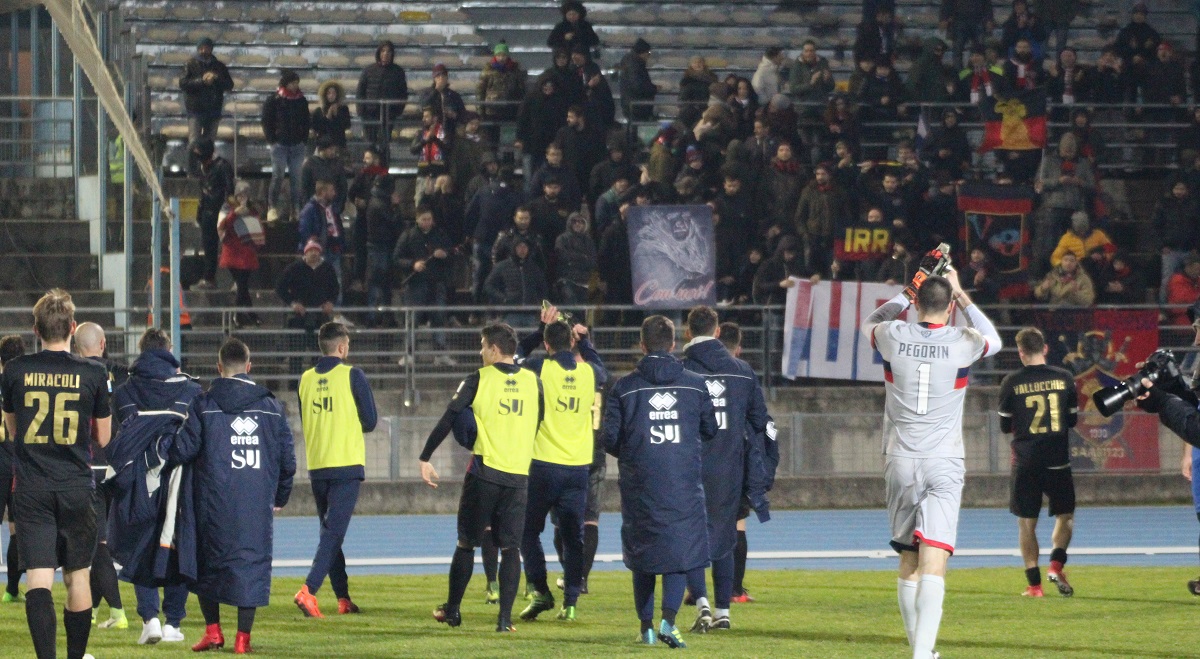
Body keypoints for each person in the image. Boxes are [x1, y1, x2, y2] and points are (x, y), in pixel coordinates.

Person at [860, 272, 1001, 659]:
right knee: (934, 557)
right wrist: (963, 294)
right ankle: (923, 654)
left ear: (917, 303)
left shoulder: (893, 334)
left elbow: (869, 322)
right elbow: (994, 338)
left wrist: (906, 292)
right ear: (950, 305)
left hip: (901, 458)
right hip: (943, 459)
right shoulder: (962, 340)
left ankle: (921, 651)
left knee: (909, 559)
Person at [1, 289, 113, 659]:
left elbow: (13, 430)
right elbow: (103, 437)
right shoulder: (93, 371)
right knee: (77, 575)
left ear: (36, 329)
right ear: (73, 327)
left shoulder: (15, 370)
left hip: (32, 486)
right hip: (76, 486)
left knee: (39, 576)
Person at [602, 315, 719, 647]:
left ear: (642, 345)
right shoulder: (695, 384)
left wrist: (636, 453)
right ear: (673, 344)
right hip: (683, 483)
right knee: (679, 555)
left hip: (639, 484)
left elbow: (609, 438)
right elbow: (710, 429)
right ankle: (669, 622)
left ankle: (647, 629)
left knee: (643, 556)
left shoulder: (624, 388)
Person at [419, 323, 544, 632]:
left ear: (494, 349)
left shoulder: (479, 378)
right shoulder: (534, 381)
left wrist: (425, 456)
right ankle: (504, 620)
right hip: (518, 476)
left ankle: (453, 610)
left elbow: (450, 417)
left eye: (482, 345)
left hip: (485, 473)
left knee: (466, 544)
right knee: (510, 549)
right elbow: (538, 419)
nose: (480, 352)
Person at [177, 339, 296, 654]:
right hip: (255, 501)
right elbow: (287, 460)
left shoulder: (203, 404)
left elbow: (184, 450)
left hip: (211, 501)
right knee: (251, 564)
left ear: (219, 367)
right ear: (249, 366)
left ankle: (213, 632)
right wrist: (280, 497)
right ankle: (243, 639)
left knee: (208, 564)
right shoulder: (271, 406)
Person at [680, 307, 771, 632]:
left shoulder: (681, 370)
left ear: (688, 332)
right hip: (729, 469)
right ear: (717, 332)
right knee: (725, 538)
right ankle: (722, 612)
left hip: (689, 468)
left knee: (689, 537)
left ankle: (701, 605)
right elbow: (761, 422)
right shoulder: (742, 371)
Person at [112, 328, 201, 646]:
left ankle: (149, 620)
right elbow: (195, 439)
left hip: (140, 478)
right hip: (181, 476)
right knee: (178, 546)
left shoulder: (124, 392)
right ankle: (173, 623)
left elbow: (124, 436)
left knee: (142, 543)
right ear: (169, 349)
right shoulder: (192, 390)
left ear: (141, 350)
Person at [514, 312, 605, 623]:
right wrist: (586, 341)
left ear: (547, 345)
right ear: (571, 342)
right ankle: (571, 603)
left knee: (528, 531)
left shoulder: (540, 369)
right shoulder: (588, 372)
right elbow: (601, 369)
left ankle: (540, 590)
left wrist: (539, 328)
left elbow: (514, 356)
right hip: (578, 468)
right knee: (573, 537)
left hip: (543, 465)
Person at [293, 323, 376, 619]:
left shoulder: (305, 379)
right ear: (342, 347)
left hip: (318, 465)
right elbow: (370, 421)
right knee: (333, 533)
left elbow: (306, 417)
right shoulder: (353, 375)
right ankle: (308, 590)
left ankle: (343, 597)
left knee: (331, 533)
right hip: (345, 463)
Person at [998, 327, 1079, 598]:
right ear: (1045, 348)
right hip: (1057, 459)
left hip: (1026, 461)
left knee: (1026, 524)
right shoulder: (1065, 377)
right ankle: (1056, 564)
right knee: (1065, 516)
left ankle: (1034, 586)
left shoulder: (1011, 382)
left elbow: (1005, 425)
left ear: (1020, 352)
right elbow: (1072, 419)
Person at [71, 323, 128, 631]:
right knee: (100, 541)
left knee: (97, 544)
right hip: (118, 467)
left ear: (75, 347)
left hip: (89, 465)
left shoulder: (74, 374)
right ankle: (93, 609)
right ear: (103, 344)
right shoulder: (122, 375)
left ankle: (118, 612)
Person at [394, 206, 455, 364]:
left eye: (429, 219)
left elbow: (452, 254)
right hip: (415, 285)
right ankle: (409, 353)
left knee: (438, 318)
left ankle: (440, 353)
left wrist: (445, 255)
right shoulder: (408, 235)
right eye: (424, 219)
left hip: (437, 283)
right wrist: (412, 264)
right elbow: (397, 258)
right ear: (417, 219)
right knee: (412, 320)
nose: (427, 222)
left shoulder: (440, 235)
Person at [276, 241, 340, 385]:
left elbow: (335, 288)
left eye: (316, 250)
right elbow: (280, 287)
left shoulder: (327, 269)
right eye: (311, 250)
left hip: (320, 318)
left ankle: (318, 386)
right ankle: (294, 386)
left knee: (320, 354)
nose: (314, 253)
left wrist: (330, 302)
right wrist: (293, 303)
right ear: (305, 253)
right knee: (296, 354)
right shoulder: (294, 268)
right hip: (298, 318)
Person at [262, 70, 310, 223]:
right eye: (292, 83)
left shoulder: (301, 100)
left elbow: (306, 121)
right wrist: (272, 140)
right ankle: (272, 207)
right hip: (280, 145)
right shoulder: (273, 100)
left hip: (297, 145)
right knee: (278, 175)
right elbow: (266, 121)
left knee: (296, 179)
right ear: (285, 84)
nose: (295, 86)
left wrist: (303, 139)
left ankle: (295, 208)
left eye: (297, 83)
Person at [179, 36, 233, 171]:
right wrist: (201, 81)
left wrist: (216, 79)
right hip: (195, 109)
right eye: (201, 48)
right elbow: (183, 83)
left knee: (209, 143)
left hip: (213, 109)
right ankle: (192, 170)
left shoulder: (219, 66)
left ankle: (207, 169)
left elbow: (229, 85)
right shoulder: (190, 64)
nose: (204, 50)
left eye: (207, 48)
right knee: (194, 141)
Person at [218, 180, 264, 328]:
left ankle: (245, 315)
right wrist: (234, 214)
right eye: (240, 195)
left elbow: (257, 228)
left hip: (247, 253)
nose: (242, 198)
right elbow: (222, 227)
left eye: (245, 195)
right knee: (242, 285)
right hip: (233, 253)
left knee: (242, 286)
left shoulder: (253, 210)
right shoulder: (227, 208)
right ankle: (246, 315)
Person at [190, 138, 235, 290]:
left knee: (230, 247)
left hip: (220, 212)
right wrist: (200, 213)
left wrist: (227, 212)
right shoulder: (204, 168)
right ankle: (209, 278)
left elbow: (229, 191)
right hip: (208, 213)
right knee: (209, 248)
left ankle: (237, 279)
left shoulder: (222, 166)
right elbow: (203, 193)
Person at [0, 335, 25, 605]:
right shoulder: (23, 383)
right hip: (18, 461)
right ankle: (12, 590)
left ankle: (12, 591)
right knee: (16, 528)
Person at [357, 40, 408, 157]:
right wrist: (361, 111)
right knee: (370, 144)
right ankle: (370, 167)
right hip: (369, 114)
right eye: (383, 51)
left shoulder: (398, 72)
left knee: (384, 144)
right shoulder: (368, 70)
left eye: (389, 51)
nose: (386, 54)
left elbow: (403, 93)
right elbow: (360, 92)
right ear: (379, 53)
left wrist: (397, 111)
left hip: (388, 114)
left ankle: (384, 167)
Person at [298, 180, 346, 290]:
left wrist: (340, 244)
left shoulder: (332, 208)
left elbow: (338, 227)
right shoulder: (309, 209)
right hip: (319, 253)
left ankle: (335, 301)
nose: (334, 193)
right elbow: (304, 232)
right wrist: (314, 246)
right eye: (331, 190)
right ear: (323, 192)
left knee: (336, 283)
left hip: (334, 251)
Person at [477, 42, 526, 140]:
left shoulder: (515, 71)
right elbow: (480, 92)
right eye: (499, 55)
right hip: (491, 111)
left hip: (510, 110)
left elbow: (521, 90)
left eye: (503, 55)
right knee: (492, 140)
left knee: (509, 139)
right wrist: (480, 112)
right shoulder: (487, 72)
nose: (501, 58)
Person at [301, 138, 348, 217]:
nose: (333, 152)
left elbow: (343, 186)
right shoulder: (310, 164)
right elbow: (304, 188)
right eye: (330, 149)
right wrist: (307, 206)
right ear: (321, 149)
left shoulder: (337, 163)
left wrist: (339, 206)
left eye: (334, 149)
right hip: (315, 207)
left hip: (333, 207)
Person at [619, 38, 657, 122]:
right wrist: (654, 88)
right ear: (642, 52)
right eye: (648, 53)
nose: (649, 56)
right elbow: (638, 86)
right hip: (637, 107)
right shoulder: (635, 65)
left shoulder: (631, 61)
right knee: (638, 128)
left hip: (632, 106)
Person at [310, 80, 351, 150]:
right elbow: (316, 128)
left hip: (339, 144)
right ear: (324, 95)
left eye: (334, 93)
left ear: (337, 95)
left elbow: (347, 125)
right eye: (328, 93)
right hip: (323, 146)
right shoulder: (319, 111)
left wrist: (336, 115)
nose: (331, 95)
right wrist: (327, 117)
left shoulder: (343, 109)